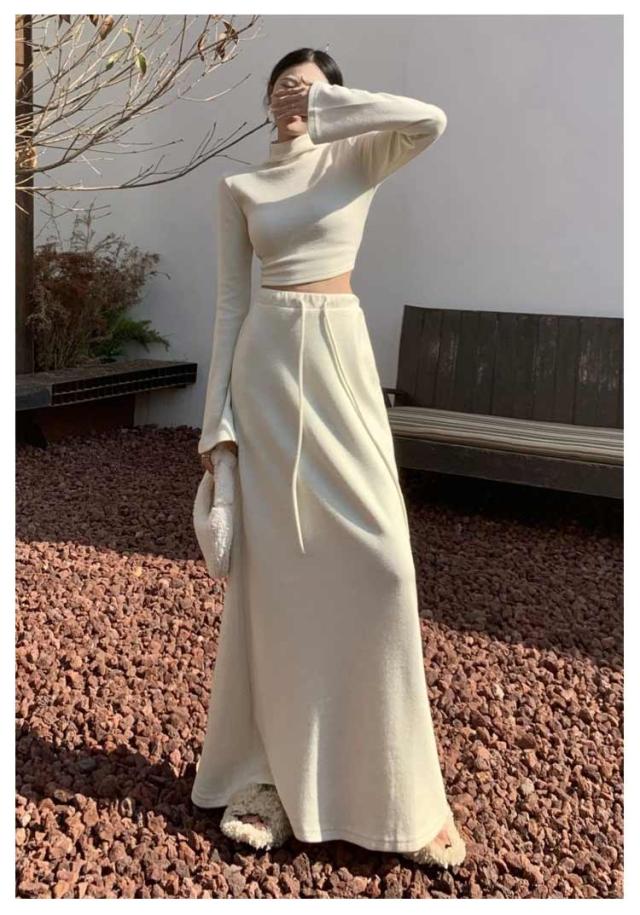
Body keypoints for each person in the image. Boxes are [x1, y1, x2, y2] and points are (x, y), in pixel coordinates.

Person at [191, 46, 466, 869]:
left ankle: (404, 797)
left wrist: (330, 109)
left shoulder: (357, 157)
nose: (291, 97)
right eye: (282, 86)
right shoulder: (240, 188)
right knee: (277, 583)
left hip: (340, 364)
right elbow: (230, 305)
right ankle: (270, 776)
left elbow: (430, 120)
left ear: (337, 100)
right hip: (266, 376)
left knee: (384, 566)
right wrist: (217, 434)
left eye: (308, 87)